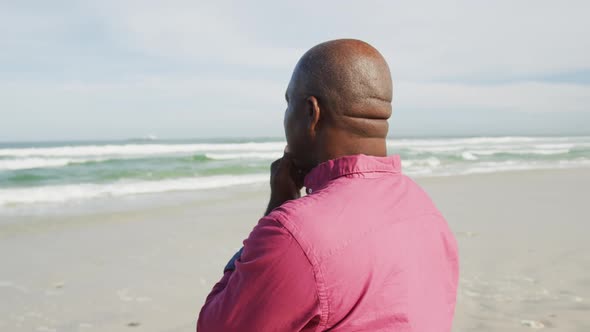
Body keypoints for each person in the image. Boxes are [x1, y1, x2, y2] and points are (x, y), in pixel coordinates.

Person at [197, 39, 459, 331]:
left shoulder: (294, 233)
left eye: (288, 103)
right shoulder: (424, 210)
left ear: (311, 113)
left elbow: (218, 326)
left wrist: (278, 209)